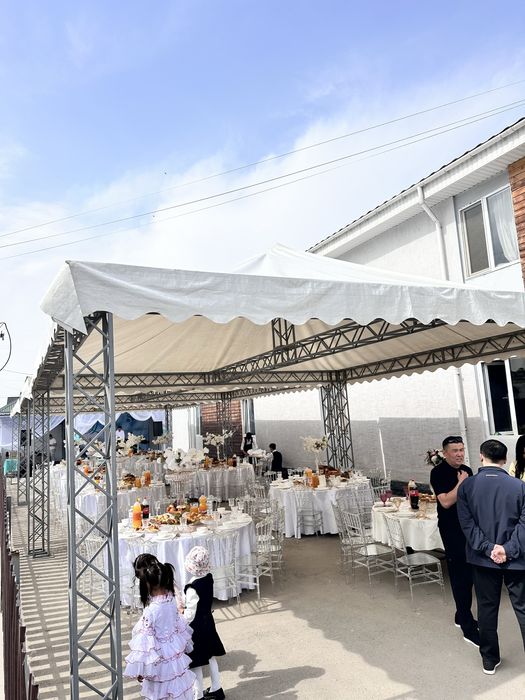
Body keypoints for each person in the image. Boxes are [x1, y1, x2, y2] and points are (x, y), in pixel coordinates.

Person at [457, 439, 525, 675]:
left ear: (481, 456)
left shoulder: (467, 487)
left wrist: (488, 548)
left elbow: (467, 525)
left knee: (486, 609)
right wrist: (508, 549)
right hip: (518, 559)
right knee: (523, 608)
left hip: (482, 560)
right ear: (505, 460)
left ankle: (489, 659)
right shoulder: (519, 486)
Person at [429, 435, 478, 646]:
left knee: (470, 572)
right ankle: (467, 625)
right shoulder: (438, 472)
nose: (459, 454)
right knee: (460, 576)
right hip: (451, 529)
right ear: (445, 453)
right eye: (455, 451)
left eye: (461, 449)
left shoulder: (467, 469)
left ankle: (460, 614)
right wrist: (461, 483)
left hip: (468, 527)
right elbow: (446, 502)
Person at [124, 554, 195, 699]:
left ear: (148, 585)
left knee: (159, 691)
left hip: (158, 660)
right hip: (174, 657)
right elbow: (180, 629)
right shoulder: (171, 602)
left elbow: (145, 645)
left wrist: (141, 669)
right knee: (176, 688)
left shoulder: (151, 611)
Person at [181, 546, 226, 700]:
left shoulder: (192, 587)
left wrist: (180, 618)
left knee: (196, 663)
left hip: (196, 628)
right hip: (208, 622)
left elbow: (190, 614)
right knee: (211, 656)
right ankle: (216, 688)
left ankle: (198, 695)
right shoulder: (208, 578)